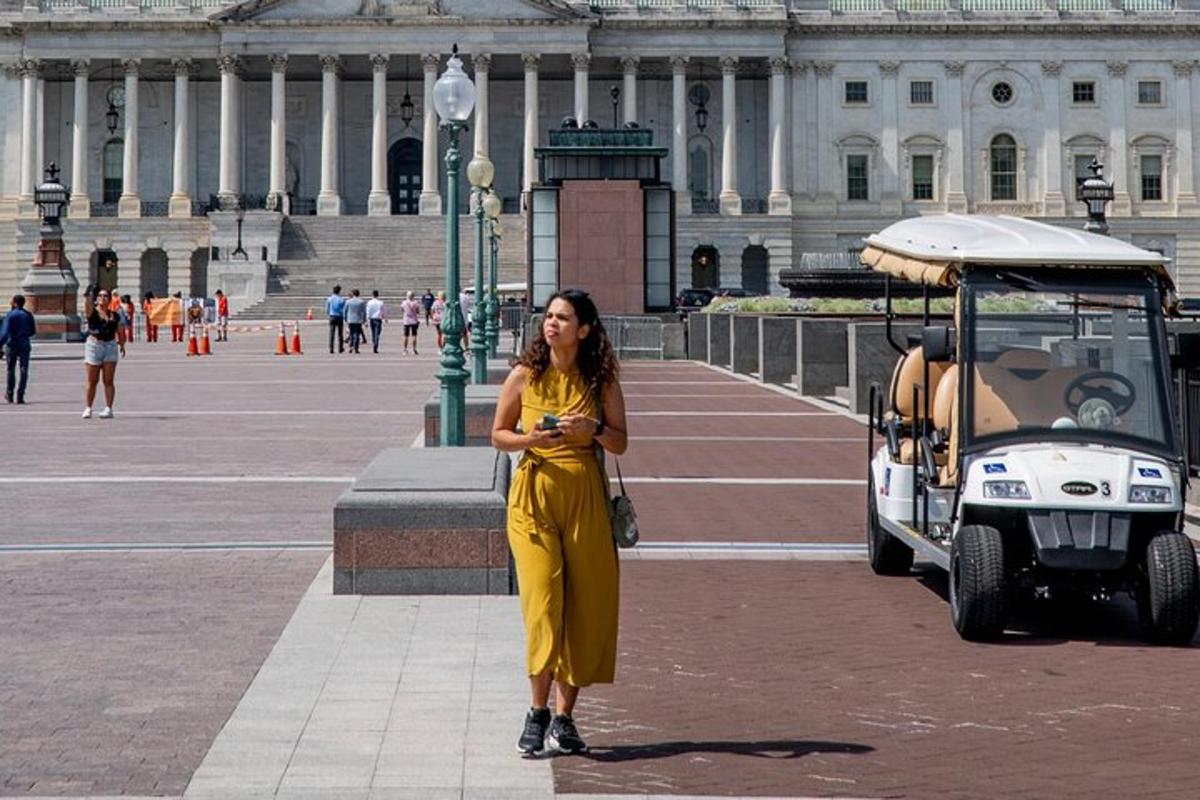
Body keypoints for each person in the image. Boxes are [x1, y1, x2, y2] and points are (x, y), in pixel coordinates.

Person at [491, 289, 628, 757]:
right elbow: (498, 434)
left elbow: (621, 443)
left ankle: (565, 718)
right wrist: (531, 437)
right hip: (533, 498)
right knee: (543, 606)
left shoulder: (601, 381)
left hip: (585, 498)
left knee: (584, 607)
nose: (551, 324)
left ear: (584, 329)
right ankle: (536, 713)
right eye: (548, 316)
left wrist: (593, 431)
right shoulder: (525, 375)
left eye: (563, 318)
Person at [83, 287, 125, 419]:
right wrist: (87, 296)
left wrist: (122, 344)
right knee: (92, 380)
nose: (103, 298)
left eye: (105, 296)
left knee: (108, 380)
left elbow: (120, 330)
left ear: (110, 299)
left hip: (110, 345)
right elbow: (87, 307)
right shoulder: (93, 313)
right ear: (97, 299)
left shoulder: (115, 315)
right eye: (100, 296)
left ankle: (108, 408)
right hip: (94, 345)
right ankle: (88, 408)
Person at [0, 294, 36, 404]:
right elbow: (32, 331)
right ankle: (20, 395)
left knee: (11, 370)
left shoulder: (10, 315)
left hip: (12, 345)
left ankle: (10, 394)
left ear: (15, 303)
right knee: (24, 370)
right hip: (24, 344)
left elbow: (5, 333)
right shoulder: (28, 315)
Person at [344, 289, 368, 354]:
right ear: (358, 294)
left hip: (350, 320)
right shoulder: (361, 302)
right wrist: (364, 320)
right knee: (357, 334)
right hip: (358, 320)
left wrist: (345, 319)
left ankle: (351, 346)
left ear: (353, 294)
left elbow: (345, 311)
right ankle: (356, 348)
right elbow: (364, 312)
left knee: (351, 334)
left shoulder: (348, 301)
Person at [366, 289, 387, 354]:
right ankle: (376, 343)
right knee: (377, 333)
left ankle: (374, 342)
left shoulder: (369, 302)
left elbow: (368, 311)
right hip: (378, 319)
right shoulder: (381, 302)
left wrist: (366, 320)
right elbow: (383, 310)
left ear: (372, 295)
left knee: (373, 332)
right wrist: (385, 318)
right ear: (378, 295)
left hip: (372, 319)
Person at [326, 284, 346, 354]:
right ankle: (340, 348)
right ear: (339, 291)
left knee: (331, 333)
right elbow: (344, 309)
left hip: (332, 316)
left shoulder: (329, 299)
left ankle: (331, 348)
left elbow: (327, 309)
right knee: (340, 334)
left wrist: (329, 314)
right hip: (339, 317)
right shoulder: (341, 299)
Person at [400, 291, 421, 355]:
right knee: (414, 335)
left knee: (406, 336)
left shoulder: (404, 302)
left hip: (406, 321)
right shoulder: (415, 303)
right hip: (414, 320)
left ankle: (405, 350)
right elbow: (418, 311)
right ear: (413, 296)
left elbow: (402, 310)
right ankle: (414, 349)